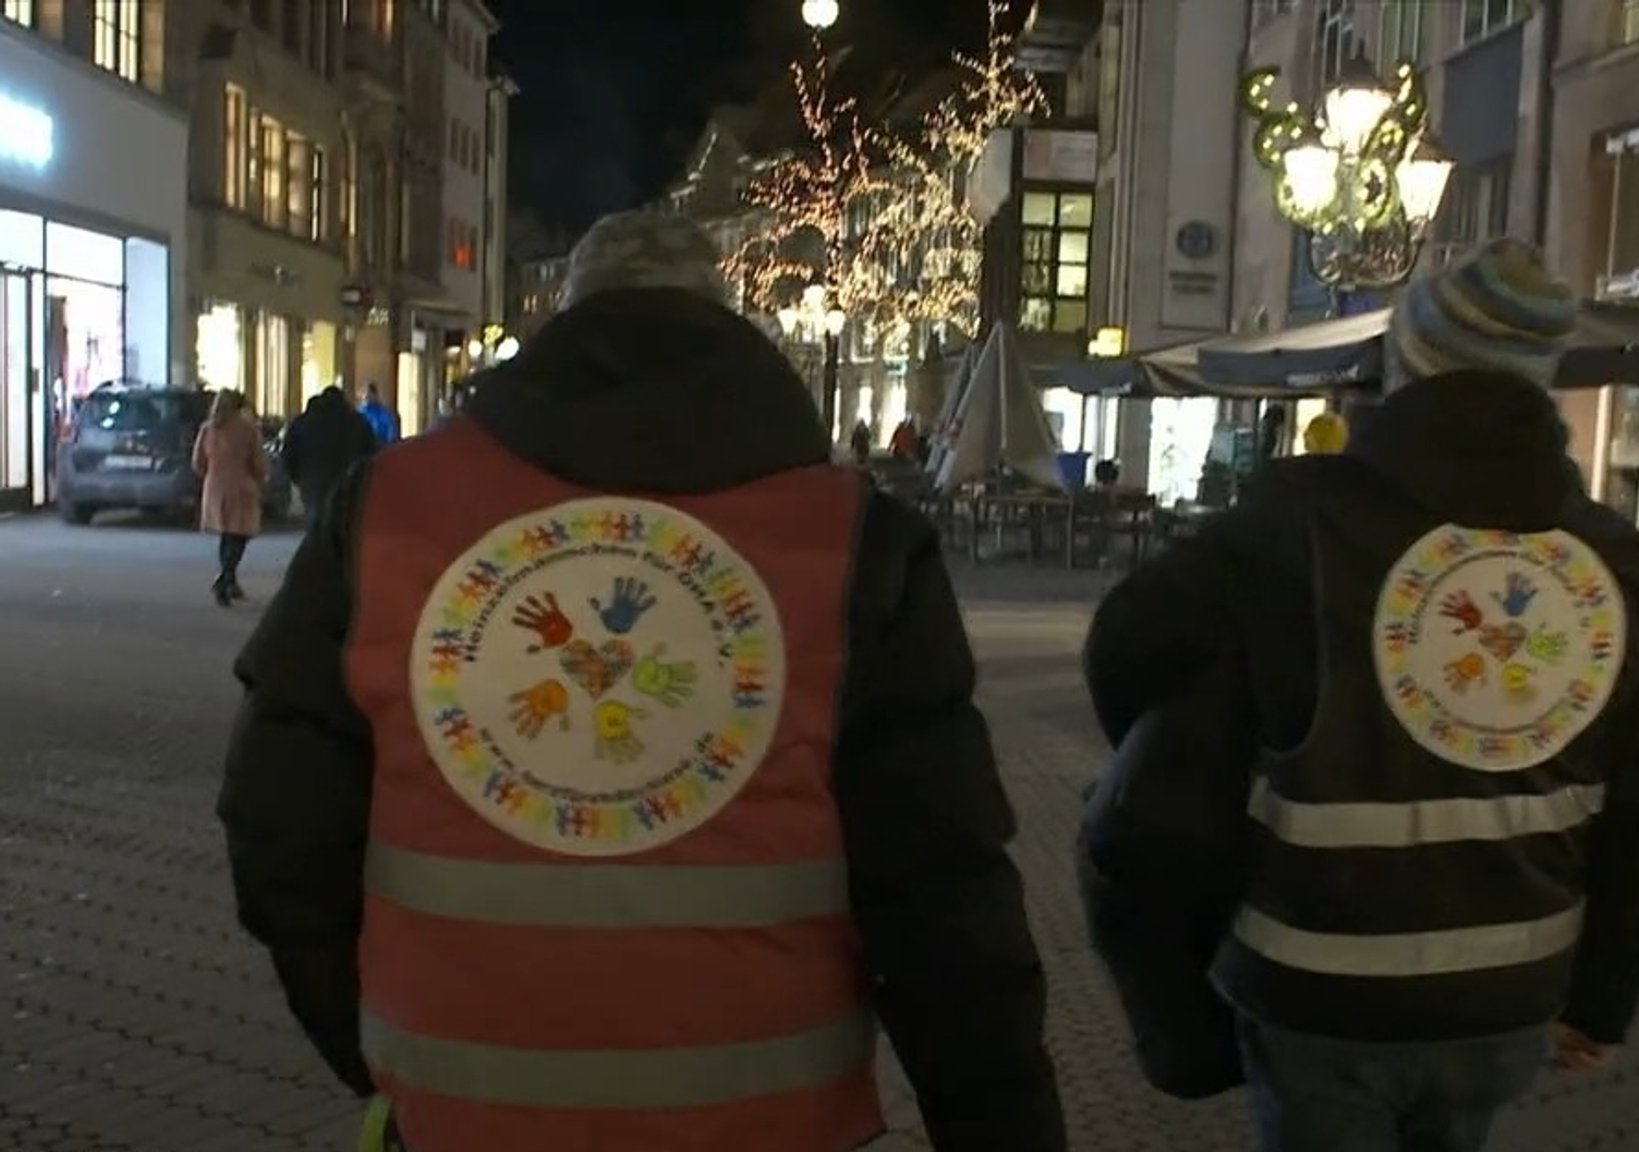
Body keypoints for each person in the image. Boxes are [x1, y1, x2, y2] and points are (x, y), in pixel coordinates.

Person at [216, 210, 1065, 1152]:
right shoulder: (852, 543)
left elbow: (276, 818)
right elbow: (944, 901)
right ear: (730, 327)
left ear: (562, 328)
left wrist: (374, 1043)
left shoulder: (386, 511)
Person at [1080, 238, 1639, 1152]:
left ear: (1407, 364)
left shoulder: (1298, 525)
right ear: (1538, 382)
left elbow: (1124, 643)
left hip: (1320, 984)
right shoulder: (1613, 560)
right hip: (1513, 988)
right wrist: (1606, 1000)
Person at [194, 389, 269, 607]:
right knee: (240, 534)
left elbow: (197, 462)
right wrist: (262, 476)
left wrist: (211, 474)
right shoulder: (247, 429)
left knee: (227, 535)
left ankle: (230, 581)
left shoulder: (207, 429)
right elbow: (257, 461)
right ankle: (225, 578)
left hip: (215, 487)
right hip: (241, 487)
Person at [282, 386, 378, 532]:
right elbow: (371, 454)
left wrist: (299, 478)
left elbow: (288, 454)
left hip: (313, 483)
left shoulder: (303, 422)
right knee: (346, 528)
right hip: (348, 483)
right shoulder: (357, 422)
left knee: (316, 527)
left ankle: (317, 552)